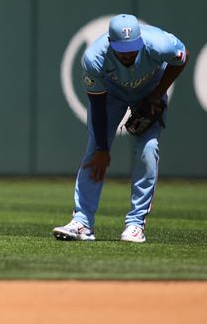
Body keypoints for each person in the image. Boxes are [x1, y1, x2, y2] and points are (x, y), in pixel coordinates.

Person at [53, 14, 188, 243]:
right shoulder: (95, 57)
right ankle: (83, 222)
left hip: (149, 92)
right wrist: (103, 149)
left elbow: (181, 58)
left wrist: (156, 96)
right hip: (111, 95)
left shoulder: (158, 43)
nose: (128, 53)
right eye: (122, 48)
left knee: (148, 150)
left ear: (139, 40)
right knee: (94, 151)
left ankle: (135, 225)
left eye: (132, 47)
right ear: (110, 42)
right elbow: (97, 105)